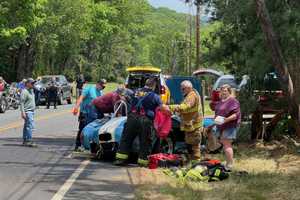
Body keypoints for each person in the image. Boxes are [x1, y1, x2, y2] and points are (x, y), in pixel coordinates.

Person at [115, 78, 162, 167]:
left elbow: (126, 98)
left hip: (132, 118)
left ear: (145, 83)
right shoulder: (155, 96)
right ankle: (142, 163)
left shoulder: (135, 92)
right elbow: (161, 108)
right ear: (154, 85)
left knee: (126, 139)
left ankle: (120, 159)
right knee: (145, 142)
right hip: (145, 121)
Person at [164, 80, 203, 161]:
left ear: (189, 88)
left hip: (194, 126)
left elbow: (185, 107)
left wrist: (170, 107)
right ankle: (191, 162)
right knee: (190, 145)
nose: (181, 91)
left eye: (183, 89)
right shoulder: (190, 94)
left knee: (194, 147)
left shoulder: (191, 96)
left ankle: (195, 164)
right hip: (191, 125)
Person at [72, 78, 106, 151]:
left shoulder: (100, 92)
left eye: (103, 87)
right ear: (97, 84)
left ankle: (90, 145)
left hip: (94, 114)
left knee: (93, 130)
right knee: (82, 129)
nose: (102, 88)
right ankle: (78, 145)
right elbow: (81, 98)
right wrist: (76, 107)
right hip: (85, 113)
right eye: (101, 86)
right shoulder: (89, 89)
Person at [214, 84, 241, 171]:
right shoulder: (221, 101)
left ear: (229, 92)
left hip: (229, 126)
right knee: (225, 144)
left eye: (225, 90)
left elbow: (235, 115)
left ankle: (230, 165)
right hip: (221, 125)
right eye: (222, 90)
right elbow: (217, 114)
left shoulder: (233, 101)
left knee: (227, 144)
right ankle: (228, 162)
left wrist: (226, 120)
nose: (223, 92)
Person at [20, 78, 36, 147]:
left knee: (26, 126)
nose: (33, 84)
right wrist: (23, 112)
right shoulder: (24, 91)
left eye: (33, 83)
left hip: (31, 111)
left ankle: (25, 140)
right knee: (30, 126)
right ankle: (29, 140)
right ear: (27, 84)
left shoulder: (31, 90)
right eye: (32, 83)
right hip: (27, 111)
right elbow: (22, 103)